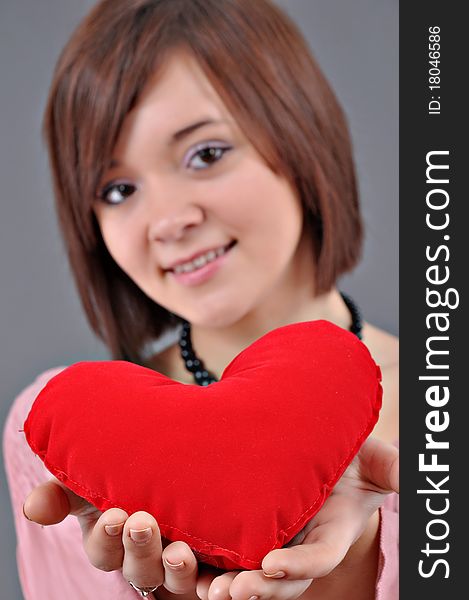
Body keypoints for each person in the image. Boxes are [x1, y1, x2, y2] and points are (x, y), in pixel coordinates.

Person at [3, 0, 399, 598]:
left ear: (300, 137)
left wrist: (347, 571)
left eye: (206, 154)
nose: (166, 220)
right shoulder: (65, 447)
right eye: (117, 189)